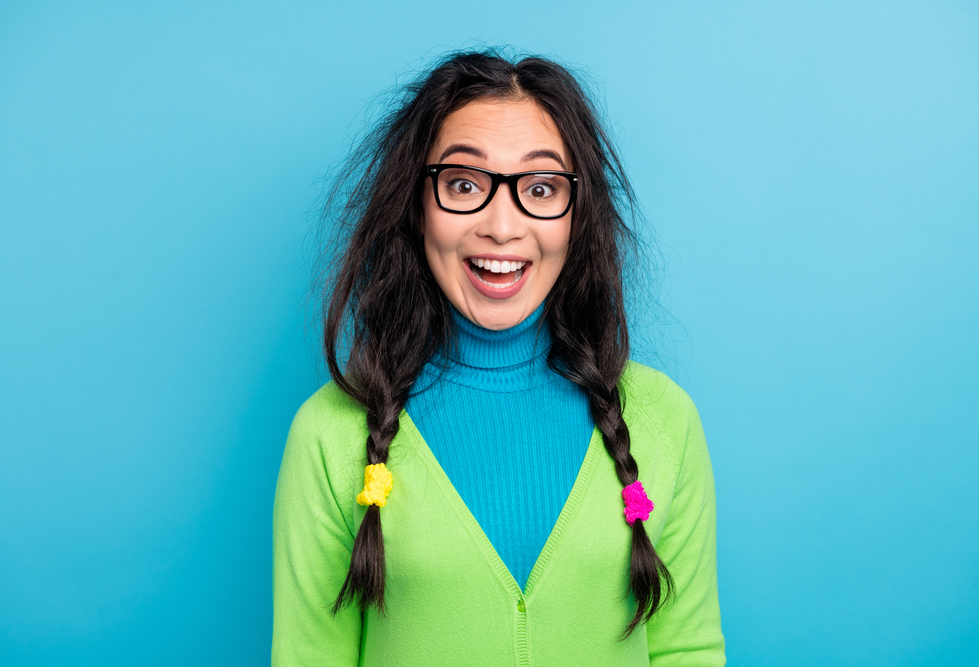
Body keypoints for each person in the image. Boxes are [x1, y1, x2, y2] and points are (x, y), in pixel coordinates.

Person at [272, 50, 725, 666]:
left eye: (540, 188)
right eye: (464, 184)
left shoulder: (663, 421)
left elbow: (687, 648)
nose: (502, 226)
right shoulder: (329, 432)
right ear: (416, 203)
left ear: (578, 215)